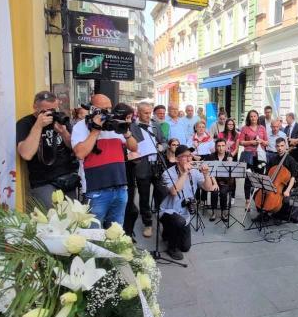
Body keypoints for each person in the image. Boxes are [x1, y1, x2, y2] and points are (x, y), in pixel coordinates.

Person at [72, 94, 138, 227]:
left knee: (115, 232)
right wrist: (95, 130)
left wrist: (126, 131)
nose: (108, 112)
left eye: (109, 108)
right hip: (95, 190)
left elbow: (134, 147)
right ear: (93, 109)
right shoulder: (81, 126)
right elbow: (80, 153)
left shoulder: (115, 123)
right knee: (93, 232)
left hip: (120, 186)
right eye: (104, 109)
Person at [16, 91, 79, 209]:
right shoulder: (25, 123)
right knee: (50, 217)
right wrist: (38, 125)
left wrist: (63, 132)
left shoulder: (60, 119)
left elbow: (74, 148)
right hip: (43, 181)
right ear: (35, 107)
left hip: (67, 179)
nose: (51, 114)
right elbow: (26, 154)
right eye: (46, 111)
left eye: (54, 110)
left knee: (72, 216)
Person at [159, 145, 218, 260]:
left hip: (184, 213)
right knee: (178, 222)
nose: (189, 158)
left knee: (185, 247)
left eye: (190, 155)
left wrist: (206, 175)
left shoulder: (194, 172)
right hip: (168, 211)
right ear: (177, 159)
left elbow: (208, 188)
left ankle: (168, 232)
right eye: (185, 156)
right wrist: (185, 173)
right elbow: (174, 192)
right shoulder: (167, 173)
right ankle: (172, 248)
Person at [127, 102, 166, 238]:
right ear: (138, 113)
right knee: (144, 197)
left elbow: (164, 141)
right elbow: (128, 146)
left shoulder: (155, 125)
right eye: (146, 113)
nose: (149, 115)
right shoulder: (132, 127)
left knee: (162, 193)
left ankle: (163, 220)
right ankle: (148, 223)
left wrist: (162, 146)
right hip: (142, 166)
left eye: (150, 112)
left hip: (157, 165)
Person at [238, 110, 269, 208]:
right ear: (249, 118)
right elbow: (241, 142)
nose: (253, 118)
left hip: (260, 157)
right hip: (249, 156)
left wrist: (261, 141)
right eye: (251, 116)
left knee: (259, 178)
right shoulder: (245, 128)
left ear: (257, 117)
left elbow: (267, 142)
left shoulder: (262, 128)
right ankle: (247, 201)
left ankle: (258, 200)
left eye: (255, 116)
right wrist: (251, 142)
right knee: (248, 178)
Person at [205, 138, 234, 222]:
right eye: (219, 146)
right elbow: (209, 171)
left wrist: (230, 164)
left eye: (223, 146)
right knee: (214, 191)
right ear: (216, 147)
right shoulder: (211, 156)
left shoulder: (229, 155)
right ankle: (213, 212)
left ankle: (223, 213)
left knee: (223, 192)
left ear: (226, 146)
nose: (221, 148)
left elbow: (232, 172)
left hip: (226, 181)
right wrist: (215, 183)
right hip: (214, 180)